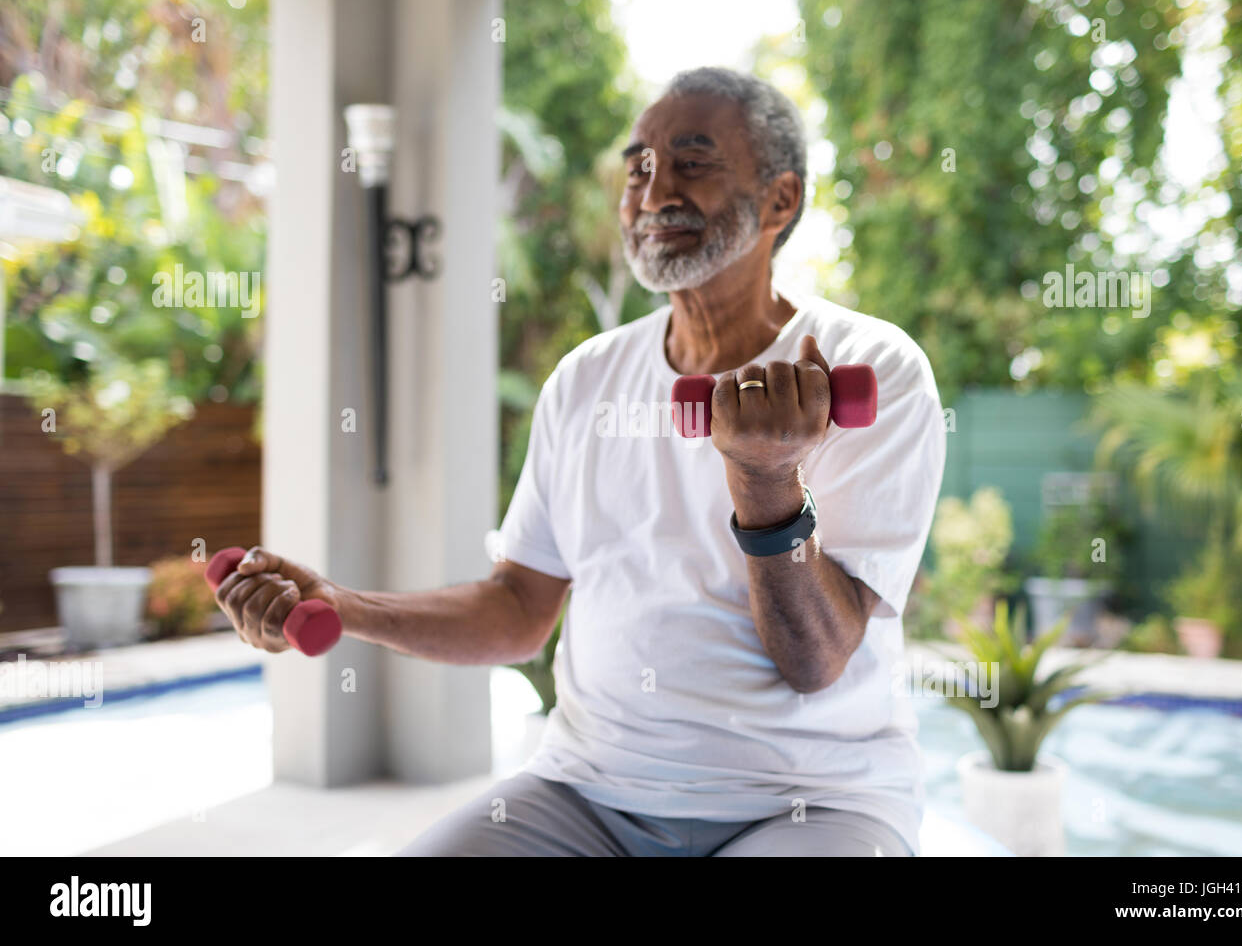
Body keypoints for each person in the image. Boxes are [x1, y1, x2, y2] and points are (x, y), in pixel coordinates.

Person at [216, 66, 946, 857]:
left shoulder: (874, 366)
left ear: (780, 200)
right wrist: (345, 605)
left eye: (693, 163)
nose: (653, 190)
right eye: (638, 167)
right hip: (587, 793)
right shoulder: (586, 378)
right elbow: (520, 609)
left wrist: (767, 482)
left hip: (811, 802)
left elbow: (816, 662)